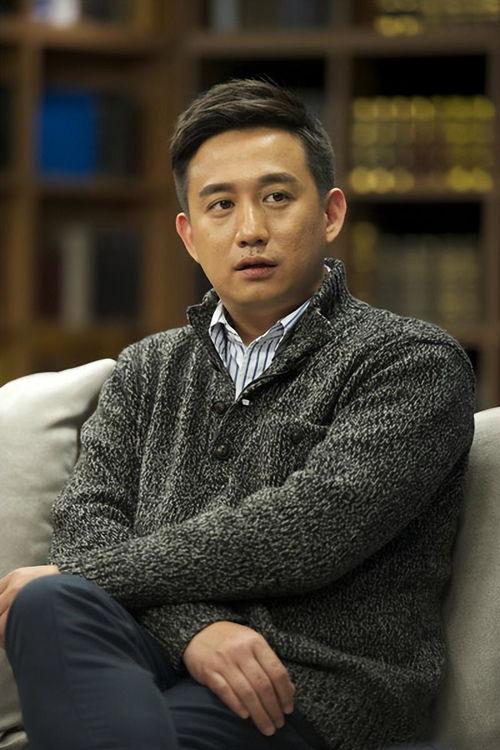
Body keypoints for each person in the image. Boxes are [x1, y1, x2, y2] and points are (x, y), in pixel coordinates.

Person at [0, 78, 474, 750]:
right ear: (189, 235)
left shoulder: (411, 362)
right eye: (220, 205)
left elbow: (309, 532)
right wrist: (194, 630)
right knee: (48, 602)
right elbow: (85, 526)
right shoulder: (146, 368)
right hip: (153, 655)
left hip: (306, 686)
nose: (250, 230)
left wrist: (95, 578)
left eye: (276, 197)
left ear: (330, 213)